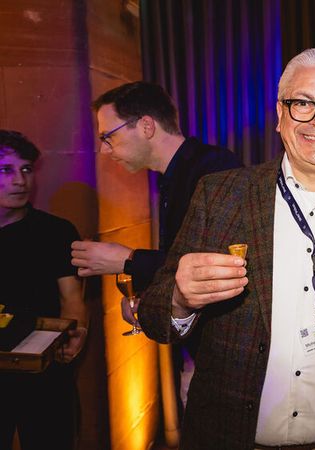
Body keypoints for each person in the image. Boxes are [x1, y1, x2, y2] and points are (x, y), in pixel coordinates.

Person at [138, 48, 315, 450]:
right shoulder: (221, 196)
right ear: (280, 115)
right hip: (232, 438)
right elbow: (155, 316)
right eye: (303, 103)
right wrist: (179, 298)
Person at [69, 81, 242, 409]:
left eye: (109, 136)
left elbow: (218, 264)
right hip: (197, 353)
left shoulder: (215, 168)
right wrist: (150, 297)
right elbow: (180, 261)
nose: (105, 149)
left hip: (222, 362)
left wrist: (128, 260)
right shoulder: (173, 177)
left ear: (146, 125)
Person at [0, 130, 88, 449]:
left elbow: (72, 299)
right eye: (5, 170)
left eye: (25, 169)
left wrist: (76, 331)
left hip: (44, 374)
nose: (20, 180)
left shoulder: (55, 231)